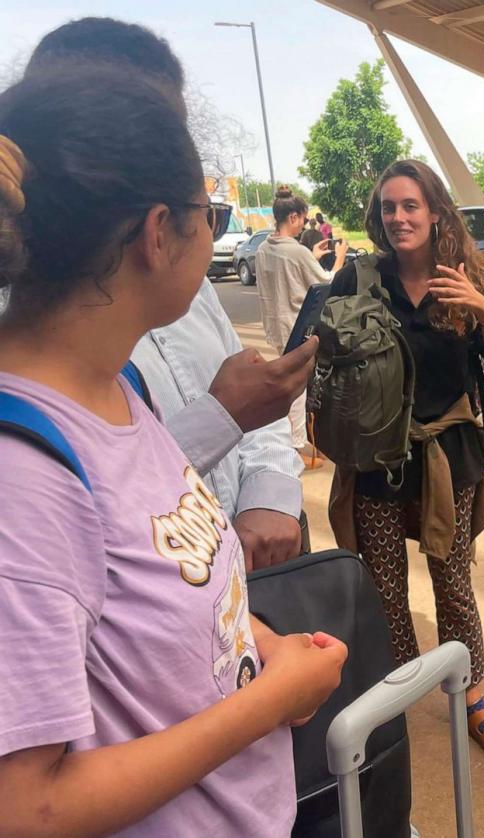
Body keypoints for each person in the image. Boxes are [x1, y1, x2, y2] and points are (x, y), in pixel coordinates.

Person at [0, 61, 346, 837]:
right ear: (159, 233)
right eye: (209, 216)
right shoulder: (22, 477)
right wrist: (270, 702)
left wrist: (261, 647)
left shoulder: (115, 384)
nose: (211, 233)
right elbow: (26, 807)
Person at [26, 17, 315, 571]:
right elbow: (78, 504)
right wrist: (222, 415)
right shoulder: (37, 363)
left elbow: (253, 395)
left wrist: (270, 492)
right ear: (161, 228)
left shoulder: (183, 294)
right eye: (206, 213)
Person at [325, 159, 484, 758]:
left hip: (448, 457)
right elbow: (321, 361)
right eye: (388, 207)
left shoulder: (469, 278)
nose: (398, 218)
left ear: (436, 212)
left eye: (410, 206)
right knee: (383, 586)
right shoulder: (359, 280)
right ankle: (400, 688)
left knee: (452, 582)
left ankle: (470, 692)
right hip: (377, 460)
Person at [255, 186, 348, 468]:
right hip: (297, 326)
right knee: (297, 387)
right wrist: (340, 256)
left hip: (275, 326)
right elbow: (326, 281)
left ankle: (294, 441)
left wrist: (310, 255)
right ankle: (295, 448)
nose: (304, 224)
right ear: (293, 217)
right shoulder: (295, 252)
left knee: (291, 381)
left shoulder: (264, 248)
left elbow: (290, 273)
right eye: (304, 220)